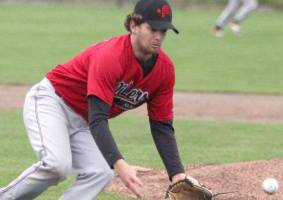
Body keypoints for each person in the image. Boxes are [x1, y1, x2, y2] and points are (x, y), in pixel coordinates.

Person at [0, 0, 188, 199]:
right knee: (57, 165)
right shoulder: (111, 56)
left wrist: (177, 174)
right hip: (52, 101)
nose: (158, 37)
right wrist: (120, 164)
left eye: (164, 31)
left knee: (100, 173)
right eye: (153, 29)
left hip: (83, 120)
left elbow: (162, 126)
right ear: (134, 26)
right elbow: (98, 118)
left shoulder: (165, 70)